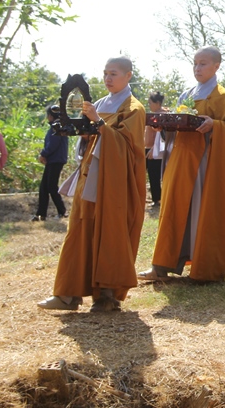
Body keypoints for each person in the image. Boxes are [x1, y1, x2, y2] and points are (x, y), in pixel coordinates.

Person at [38, 57, 145, 312]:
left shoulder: (134, 108)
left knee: (110, 230)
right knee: (79, 229)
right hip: (90, 173)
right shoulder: (98, 104)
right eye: (106, 73)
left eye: (114, 73)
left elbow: (127, 148)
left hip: (115, 181)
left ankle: (106, 296)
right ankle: (68, 294)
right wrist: (82, 131)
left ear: (128, 75)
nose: (108, 78)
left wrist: (98, 122)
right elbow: (90, 138)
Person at [139, 47, 225, 281]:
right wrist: (164, 125)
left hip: (205, 163)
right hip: (180, 160)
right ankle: (161, 266)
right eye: (195, 63)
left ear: (216, 66)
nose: (197, 68)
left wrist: (215, 125)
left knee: (200, 210)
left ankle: (204, 266)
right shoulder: (187, 94)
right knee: (172, 209)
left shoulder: (221, 96)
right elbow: (177, 127)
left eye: (203, 63)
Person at [32, 104, 68, 221]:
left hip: (55, 160)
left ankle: (62, 211)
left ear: (50, 116)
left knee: (51, 186)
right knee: (44, 187)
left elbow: (53, 144)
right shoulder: (60, 125)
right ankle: (41, 214)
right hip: (55, 159)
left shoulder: (56, 126)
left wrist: (43, 154)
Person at [144, 91, 167, 208]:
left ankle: (158, 198)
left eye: (151, 103)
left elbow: (161, 135)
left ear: (157, 103)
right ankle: (154, 197)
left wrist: (154, 149)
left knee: (155, 174)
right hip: (148, 148)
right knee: (150, 174)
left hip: (157, 150)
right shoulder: (154, 114)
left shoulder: (162, 115)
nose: (149, 105)